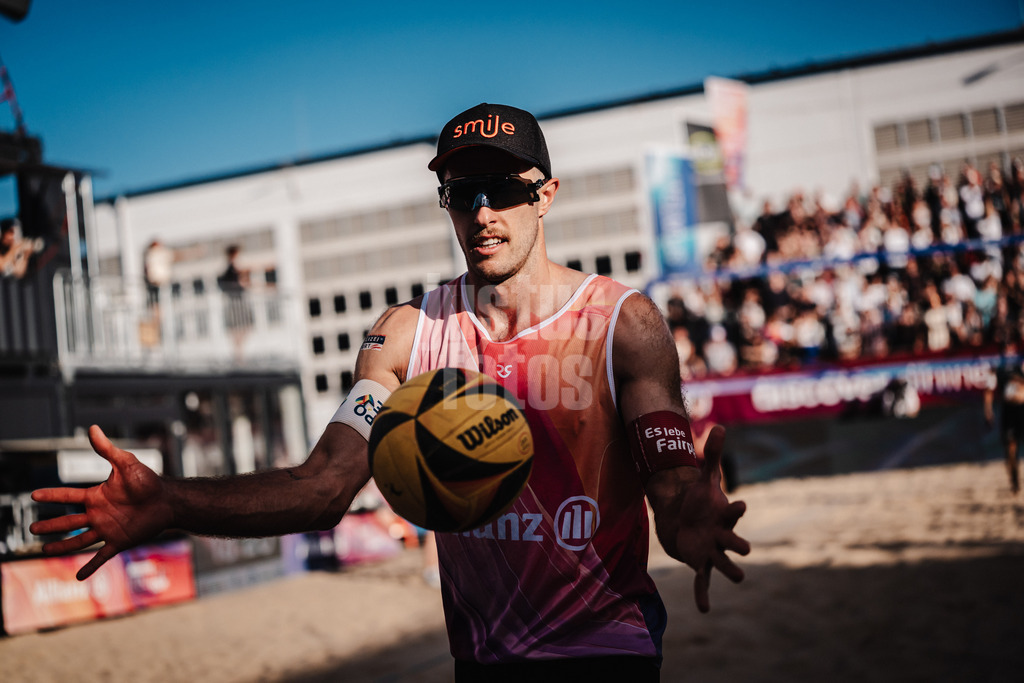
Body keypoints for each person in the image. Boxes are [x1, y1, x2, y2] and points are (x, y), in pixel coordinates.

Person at [31, 103, 749, 681]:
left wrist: (687, 512)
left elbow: (671, 485)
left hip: (606, 650)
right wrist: (169, 502)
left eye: (502, 189)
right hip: (484, 661)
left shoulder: (623, 322)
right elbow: (325, 486)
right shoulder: (403, 333)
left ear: (546, 195)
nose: (481, 213)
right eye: (460, 194)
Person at [984, 338, 1024, 494]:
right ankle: (1014, 480)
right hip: (1008, 411)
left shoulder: (1020, 364)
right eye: (1005, 347)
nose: (1008, 349)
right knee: (1010, 448)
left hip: (1021, 409)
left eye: (1010, 346)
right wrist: (988, 411)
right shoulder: (997, 368)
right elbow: (988, 391)